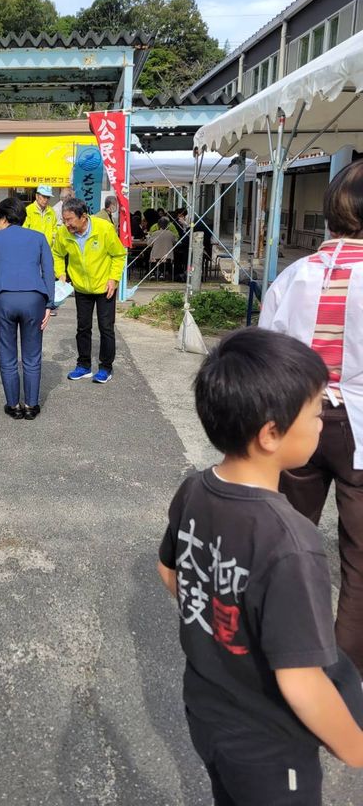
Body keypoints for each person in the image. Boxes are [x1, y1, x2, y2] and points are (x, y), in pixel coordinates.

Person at [158, 328, 363, 806]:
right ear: (271, 433)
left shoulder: (194, 488)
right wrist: (354, 747)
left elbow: (169, 571)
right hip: (270, 746)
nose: (321, 422)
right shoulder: (291, 542)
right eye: (316, 412)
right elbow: (301, 679)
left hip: (206, 712)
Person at [260, 159, 363, 675]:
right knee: (360, 563)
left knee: (293, 541)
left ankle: (289, 650)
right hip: (361, 430)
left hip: (300, 418)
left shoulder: (294, 275)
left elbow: (267, 354)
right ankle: (341, 673)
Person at [0, 197, 54, 420]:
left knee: (7, 354)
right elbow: (48, 272)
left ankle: (13, 405)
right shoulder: (39, 238)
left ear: (3, 218)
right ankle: (31, 405)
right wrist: (49, 304)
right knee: (32, 355)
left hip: (3, 299)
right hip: (34, 300)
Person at [53, 198, 125, 384]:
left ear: (83, 217)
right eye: (64, 219)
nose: (66, 224)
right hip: (82, 288)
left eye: (70, 220)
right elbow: (57, 254)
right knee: (83, 327)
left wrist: (113, 278)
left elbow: (118, 255)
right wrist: (60, 273)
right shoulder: (64, 233)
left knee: (106, 328)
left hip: (104, 286)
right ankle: (83, 366)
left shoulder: (104, 228)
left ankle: (105, 367)